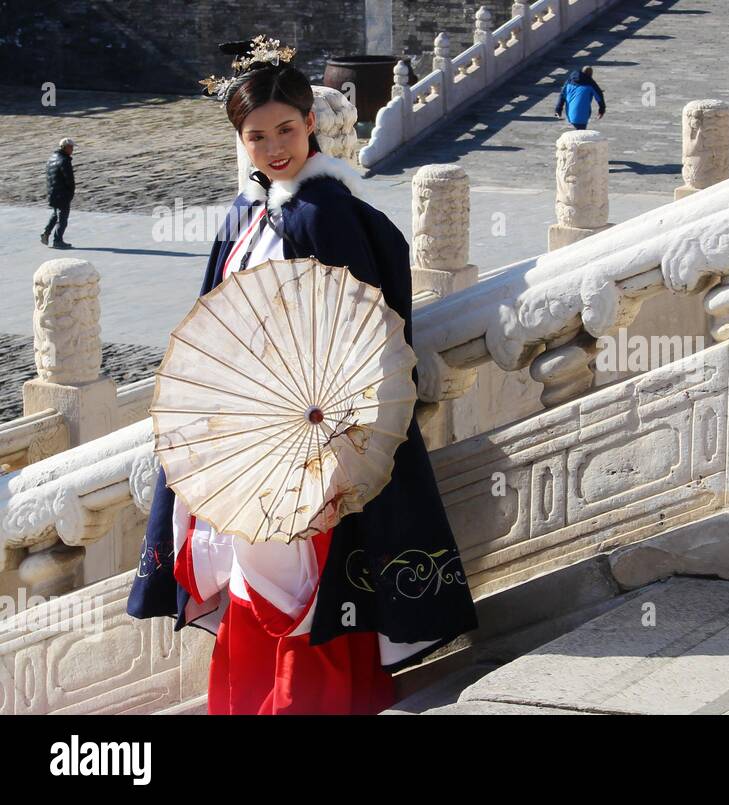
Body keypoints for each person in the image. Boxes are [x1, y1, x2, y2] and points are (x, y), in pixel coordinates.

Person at [127, 35, 479, 715]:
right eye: (256, 136)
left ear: (311, 121)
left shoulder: (329, 215)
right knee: (249, 579)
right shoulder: (242, 215)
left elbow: (366, 344)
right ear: (242, 140)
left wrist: (340, 460)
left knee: (308, 588)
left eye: (286, 128)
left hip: (314, 445)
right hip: (248, 442)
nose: (274, 147)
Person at [41, 137, 76, 248]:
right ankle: (58, 241)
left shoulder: (51, 158)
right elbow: (69, 179)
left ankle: (46, 233)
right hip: (62, 194)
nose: (72, 149)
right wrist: (70, 193)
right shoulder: (65, 161)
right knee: (63, 219)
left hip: (53, 193)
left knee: (55, 214)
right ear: (65, 147)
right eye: (71, 147)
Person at [554, 65, 606, 130]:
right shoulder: (590, 83)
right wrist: (601, 110)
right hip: (582, 116)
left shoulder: (569, 81)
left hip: (570, 114)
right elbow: (599, 96)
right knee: (580, 134)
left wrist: (558, 110)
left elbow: (562, 96)